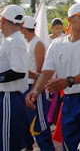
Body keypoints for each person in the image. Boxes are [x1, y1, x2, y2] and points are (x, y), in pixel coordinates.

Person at [26, 3, 80, 151]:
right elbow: (46, 72)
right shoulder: (56, 45)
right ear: (70, 20)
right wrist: (36, 90)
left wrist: (68, 81)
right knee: (70, 143)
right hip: (69, 101)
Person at [21, 16, 54, 150]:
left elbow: (40, 70)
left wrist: (35, 90)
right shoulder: (27, 43)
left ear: (24, 28)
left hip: (35, 87)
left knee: (39, 124)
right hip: (25, 86)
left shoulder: (37, 43)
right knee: (26, 122)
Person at [0, 4, 30, 151]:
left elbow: (18, 72)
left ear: (3, 20)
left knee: (6, 144)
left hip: (8, 97)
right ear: (22, 23)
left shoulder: (15, 40)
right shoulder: (10, 39)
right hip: (8, 97)